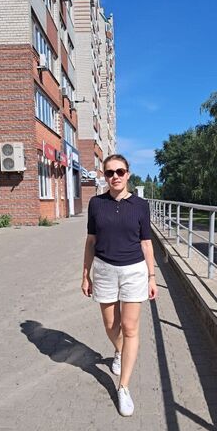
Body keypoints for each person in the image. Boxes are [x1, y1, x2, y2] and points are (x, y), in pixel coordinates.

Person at [81, 154, 158, 416]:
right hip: (104, 270)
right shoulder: (96, 204)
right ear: (104, 175)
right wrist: (85, 274)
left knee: (130, 327)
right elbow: (91, 241)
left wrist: (152, 276)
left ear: (128, 174)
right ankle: (120, 351)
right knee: (111, 325)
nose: (115, 176)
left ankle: (123, 386)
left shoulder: (140, 205)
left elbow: (146, 243)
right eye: (109, 172)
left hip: (134, 272)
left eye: (120, 171)